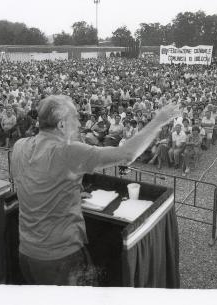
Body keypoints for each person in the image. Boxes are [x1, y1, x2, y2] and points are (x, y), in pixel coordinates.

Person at [10, 95, 181, 286]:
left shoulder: (19, 146)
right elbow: (127, 154)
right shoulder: (67, 151)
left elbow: (33, 184)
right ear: (61, 125)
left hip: (26, 252)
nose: (79, 122)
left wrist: (69, 192)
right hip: (60, 258)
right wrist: (158, 120)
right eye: (74, 118)